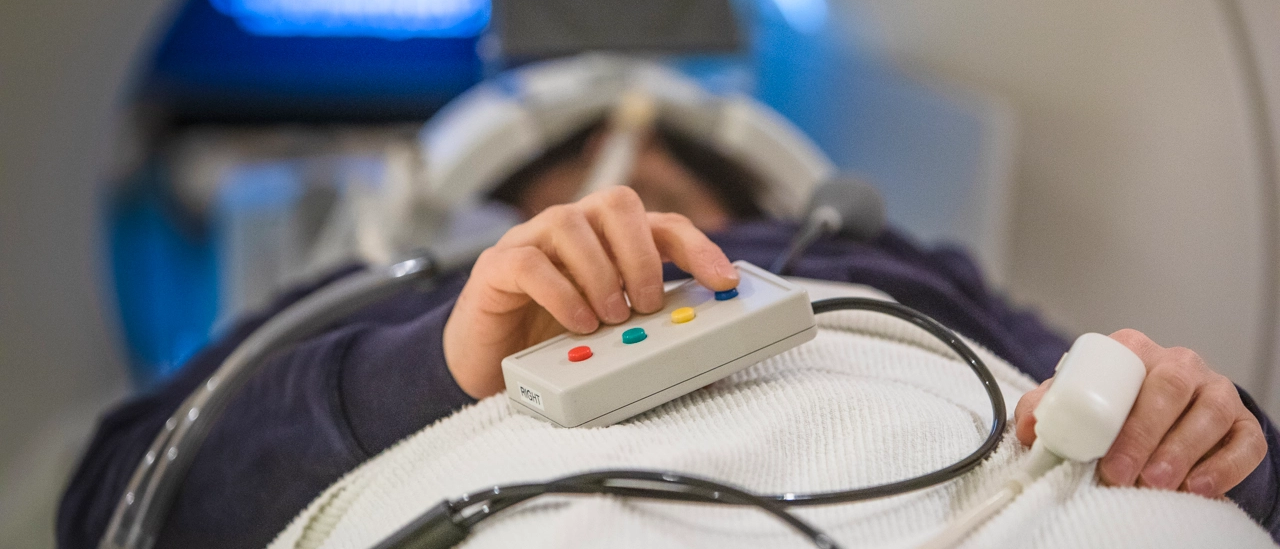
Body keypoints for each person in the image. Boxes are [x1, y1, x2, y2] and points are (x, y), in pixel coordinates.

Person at [59, 126, 1279, 549]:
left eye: (665, 186)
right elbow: (120, 502)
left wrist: (1218, 438)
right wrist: (436, 361)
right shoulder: (386, 295)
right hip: (538, 487)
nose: (620, 205)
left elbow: (1207, 456)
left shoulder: (882, 262)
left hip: (994, 474)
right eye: (566, 197)